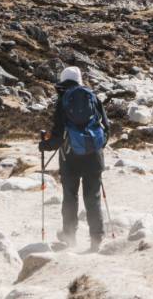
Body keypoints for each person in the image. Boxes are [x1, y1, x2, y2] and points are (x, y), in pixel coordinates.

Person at [39, 65, 110, 251]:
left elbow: (56, 137)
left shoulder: (63, 101)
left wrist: (43, 145)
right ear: (79, 80)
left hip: (70, 159)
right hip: (94, 158)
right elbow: (107, 130)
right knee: (92, 198)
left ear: (63, 81)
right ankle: (96, 239)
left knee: (70, 198)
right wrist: (96, 146)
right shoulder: (93, 97)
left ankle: (69, 237)